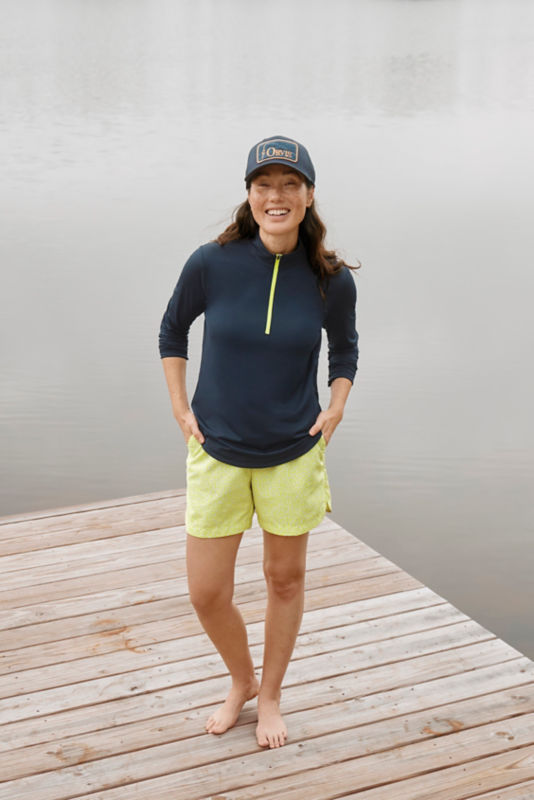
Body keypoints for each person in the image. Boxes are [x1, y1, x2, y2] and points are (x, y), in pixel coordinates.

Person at [158, 135, 359, 749]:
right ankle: (241, 679)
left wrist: (337, 405)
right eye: (264, 185)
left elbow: (345, 348)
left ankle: (269, 694)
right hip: (216, 448)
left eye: (289, 185)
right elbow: (172, 329)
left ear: (308, 196)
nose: (277, 196)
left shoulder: (329, 278)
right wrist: (179, 405)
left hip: (292, 454)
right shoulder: (210, 263)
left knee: (284, 581)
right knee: (206, 592)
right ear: (249, 196)